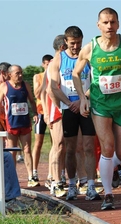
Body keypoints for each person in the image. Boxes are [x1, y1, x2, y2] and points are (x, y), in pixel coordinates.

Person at [72, 7, 121, 210]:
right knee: (107, 147)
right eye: (105, 22)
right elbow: (76, 74)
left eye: (113, 22)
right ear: (98, 25)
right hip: (100, 105)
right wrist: (82, 97)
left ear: (118, 24)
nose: (109, 26)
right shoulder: (90, 48)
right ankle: (109, 194)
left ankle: (108, 166)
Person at [46, 26, 100, 201]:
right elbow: (54, 87)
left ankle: (90, 185)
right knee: (69, 149)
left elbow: (97, 81)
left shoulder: (89, 57)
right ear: (66, 42)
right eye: (72, 43)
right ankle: (71, 185)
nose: (76, 47)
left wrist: (82, 99)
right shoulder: (58, 60)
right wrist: (69, 103)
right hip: (69, 109)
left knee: (88, 147)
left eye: (78, 43)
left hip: (85, 107)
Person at [0, 65, 39, 187]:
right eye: (17, 73)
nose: (20, 75)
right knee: (12, 152)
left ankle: (31, 177)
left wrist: (35, 113)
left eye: (21, 73)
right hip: (11, 124)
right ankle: (12, 178)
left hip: (24, 122)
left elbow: (31, 100)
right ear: (10, 75)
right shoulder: (4, 87)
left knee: (27, 149)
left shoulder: (26, 85)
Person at [41, 35, 68, 197]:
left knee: (64, 145)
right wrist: (48, 111)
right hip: (57, 108)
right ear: (62, 47)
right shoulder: (53, 64)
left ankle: (56, 176)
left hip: (63, 106)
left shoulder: (66, 61)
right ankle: (54, 180)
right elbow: (47, 90)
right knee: (58, 144)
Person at [32, 54, 53, 182]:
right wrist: (46, 75)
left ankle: (52, 173)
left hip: (51, 111)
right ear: (43, 64)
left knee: (54, 143)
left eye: (49, 64)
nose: (47, 66)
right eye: (46, 64)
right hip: (41, 111)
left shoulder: (54, 74)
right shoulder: (37, 76)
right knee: (38, 142)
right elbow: (37, 93)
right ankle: (34, 171)